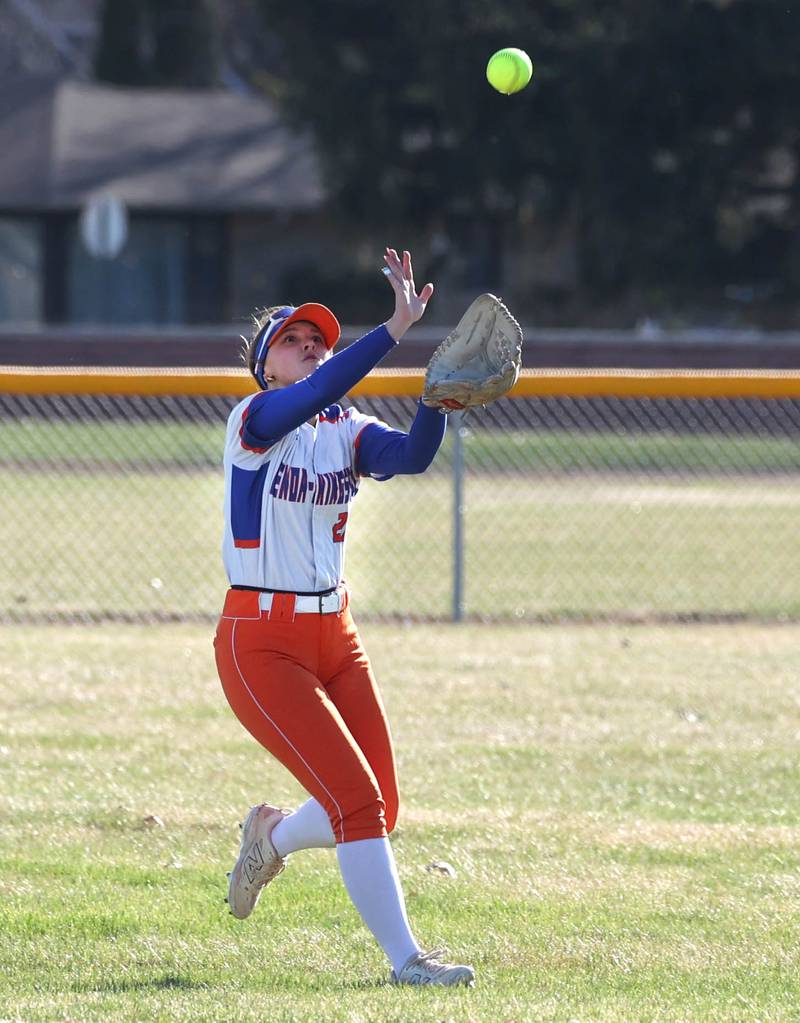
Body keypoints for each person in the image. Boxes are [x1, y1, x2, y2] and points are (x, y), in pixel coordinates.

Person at [213, 247, 475, 988]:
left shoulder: (348, 429)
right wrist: (393, 329)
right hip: (260, 642)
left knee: (379, 805)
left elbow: (414, 455)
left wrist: (436, 398)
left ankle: (271, 836)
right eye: (294, 340)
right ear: (267, 368)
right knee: (356, 802)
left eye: (318, 338)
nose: (312, 346)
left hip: (336, 635)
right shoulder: (256, 420)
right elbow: (323, 385)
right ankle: (407, 961)